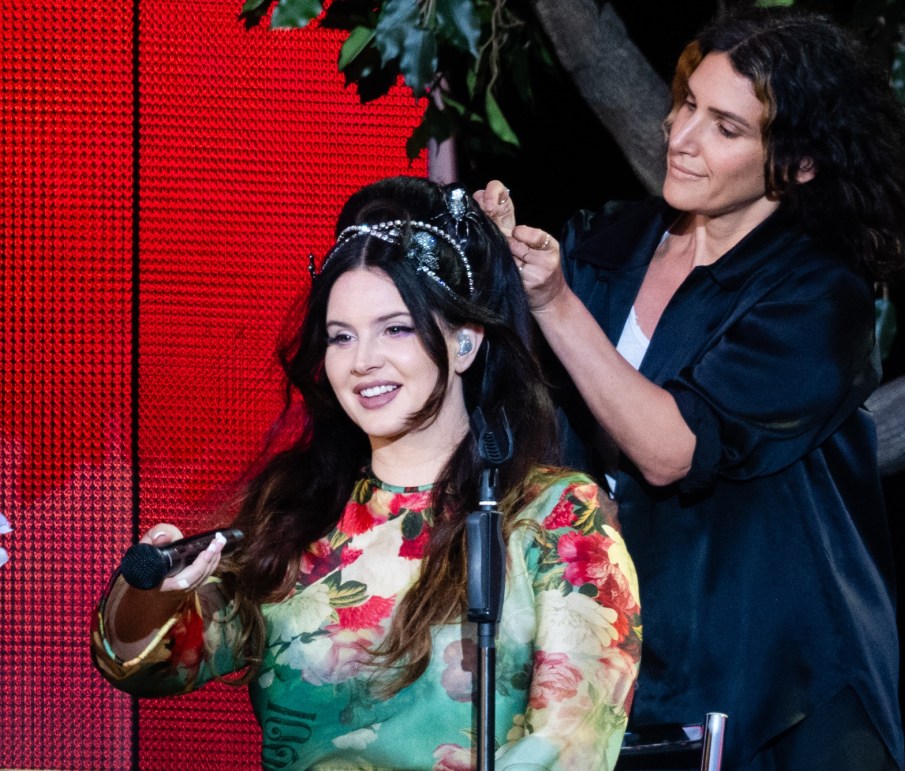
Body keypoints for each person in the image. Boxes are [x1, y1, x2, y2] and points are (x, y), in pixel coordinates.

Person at [476, 6, 905, 771]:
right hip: (632, 668)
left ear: (797, 163)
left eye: (726, 128)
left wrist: (554, 304)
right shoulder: (611, 241)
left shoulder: (819, 295)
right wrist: (488, 264)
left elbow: (671, 449)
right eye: (688, 105)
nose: (682, 137)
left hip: (782, 693)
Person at [90, 176, 642, 770]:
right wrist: (153, 591)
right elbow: (150, 665)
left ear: (464, 341)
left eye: (395, 328)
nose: (362, 361)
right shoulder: (296, 511)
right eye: (341, 337)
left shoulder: (556, 515)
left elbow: (570, 744)